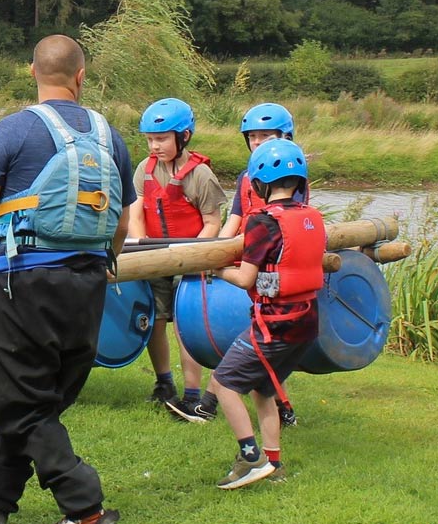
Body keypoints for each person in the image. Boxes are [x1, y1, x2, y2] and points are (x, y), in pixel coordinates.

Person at [0, 35, 134, 524]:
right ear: (81, 75)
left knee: (24, 401)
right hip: (89, 284)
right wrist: (101, 262)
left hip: (23, 284)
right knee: (32, 398)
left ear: (32, 72)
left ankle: (85, 508)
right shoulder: (110, 136)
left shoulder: (14, 130)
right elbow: (120, 221)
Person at [171, 102, 300, 426]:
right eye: (253, 136)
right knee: (250, 339)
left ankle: (209, 405)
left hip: (268, 272)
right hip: (248, 261)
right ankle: (280, 409)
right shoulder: (247, 178)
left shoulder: (294, 181)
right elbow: (236, 221)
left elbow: (286, 228)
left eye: (265, 136)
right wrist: (214, 250)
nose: (257, 142)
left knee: (251, 340)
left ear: (284, 136)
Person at [211, 140, 325, 489]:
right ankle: (274, 462)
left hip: (274, 325)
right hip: (306, 324)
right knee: (263, 388)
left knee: (225, 384)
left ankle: (251, 458)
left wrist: (218, 270)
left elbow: (245, 277)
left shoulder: (263, 222)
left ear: (258, 184)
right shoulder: (312, 217)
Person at [127, 98, 225, 418]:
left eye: (162, 139)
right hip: (155, 256)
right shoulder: (145, 169)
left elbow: (212, 223)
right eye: (151, 139)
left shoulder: (202, 175)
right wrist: (141, 245)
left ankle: (192, 394)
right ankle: (164, 383)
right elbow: (137, 211)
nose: (155, 146)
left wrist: (190, 255)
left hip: (190, 258)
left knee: (185, 326)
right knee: (155, 320)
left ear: (183, 137)